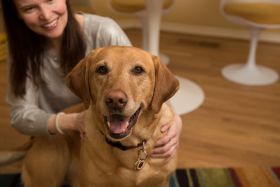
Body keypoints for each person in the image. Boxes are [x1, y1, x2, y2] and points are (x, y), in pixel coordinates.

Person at [1, 0, 182, 159]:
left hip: (107, 134)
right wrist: (72, 121)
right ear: (17, 15)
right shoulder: (20, 52)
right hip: (57, 138)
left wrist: (175, 120)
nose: (46, 15)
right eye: (30, 8)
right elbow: (20, 115)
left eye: (50, 0)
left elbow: (145, 80)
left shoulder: (104, 31)